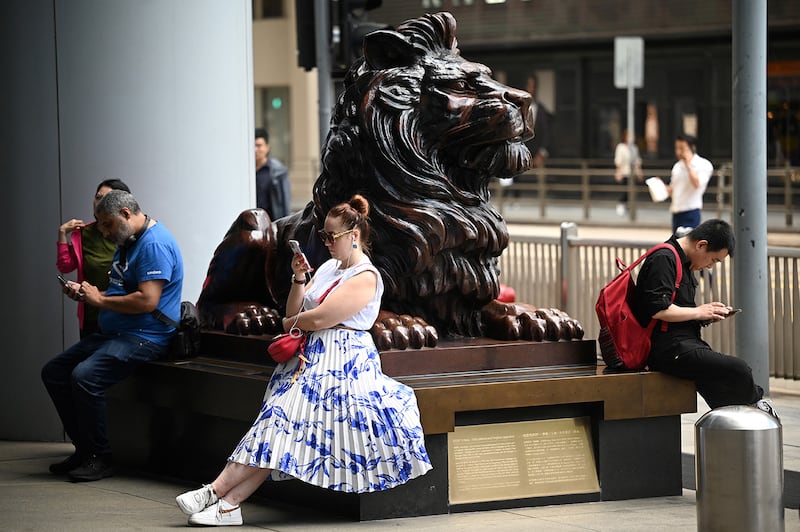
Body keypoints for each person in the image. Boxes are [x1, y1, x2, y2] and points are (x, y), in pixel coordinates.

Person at [175, 195, 432, 527]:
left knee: (278, 423)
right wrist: (298, 279)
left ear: (354, 235)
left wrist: (292, 323)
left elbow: (319, 318)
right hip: (310, 360)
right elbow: (295, 313)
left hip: (342, 366)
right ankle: (228, 505)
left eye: (332, 236)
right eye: (323, 235)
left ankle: (215, 492)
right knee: (278, 430)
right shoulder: (327, 268)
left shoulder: (366, 276)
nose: (326, 243)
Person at [42, 190, 184, 482]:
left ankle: (100, 456)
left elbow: (147, 301)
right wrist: (88, 294)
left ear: (126, 214)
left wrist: (100, 301)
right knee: (54, 371)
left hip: (147, 335)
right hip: (119, 331)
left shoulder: (153, 244)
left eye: (107, 224)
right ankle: (84, 450)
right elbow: (122, 292)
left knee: (84, 376)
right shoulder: (129, 242)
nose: (105, 232)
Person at [631, 219, 777, 418]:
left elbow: (680, 311)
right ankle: (760, 408)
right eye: (714, 260)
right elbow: (657, 309)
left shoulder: (687, 263)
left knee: (725, 396)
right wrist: (699, 312)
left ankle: (744, 424)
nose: (710, 266)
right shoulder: (664, 258)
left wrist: (706, 315)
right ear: (701, 245)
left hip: (684, 344)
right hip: (665, 349)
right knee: (739, 369)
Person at [57, 179, 132, 337]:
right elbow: (65, 266)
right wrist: (63, 233)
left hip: (122, 314)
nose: (100, 203)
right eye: (98, 197)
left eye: (107, 199)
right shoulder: (83, 233)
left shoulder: (128, 235)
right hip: (91, 315)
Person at [666, 134, 714, 234]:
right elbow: (673, 190)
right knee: (677, 246)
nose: (679, 152)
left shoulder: (703, 165)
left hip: (691, 211)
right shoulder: (677, 166)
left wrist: (689, 166)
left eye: (682, 148)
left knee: (688, 245)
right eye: (677, 148)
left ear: (692, 148)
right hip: (676, 212)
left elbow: (697, 184)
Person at [254, 128, 291, 221]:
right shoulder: (246, 171)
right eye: (253, 145)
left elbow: (285, 201)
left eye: (259, 145)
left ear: (267, 147)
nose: (255, 150)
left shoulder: (278, 171)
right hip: (251, 221)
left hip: (271, 222)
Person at [613, 129, 643, 216]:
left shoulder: (634, 147)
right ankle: (621, 205)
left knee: (632, 191)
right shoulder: (621, 147)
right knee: (625, 190)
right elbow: (618, 160)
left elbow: (637, 161)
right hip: (624, 172)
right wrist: (618, 171)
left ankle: (629, 206)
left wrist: (639, 172)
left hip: (632, 173)